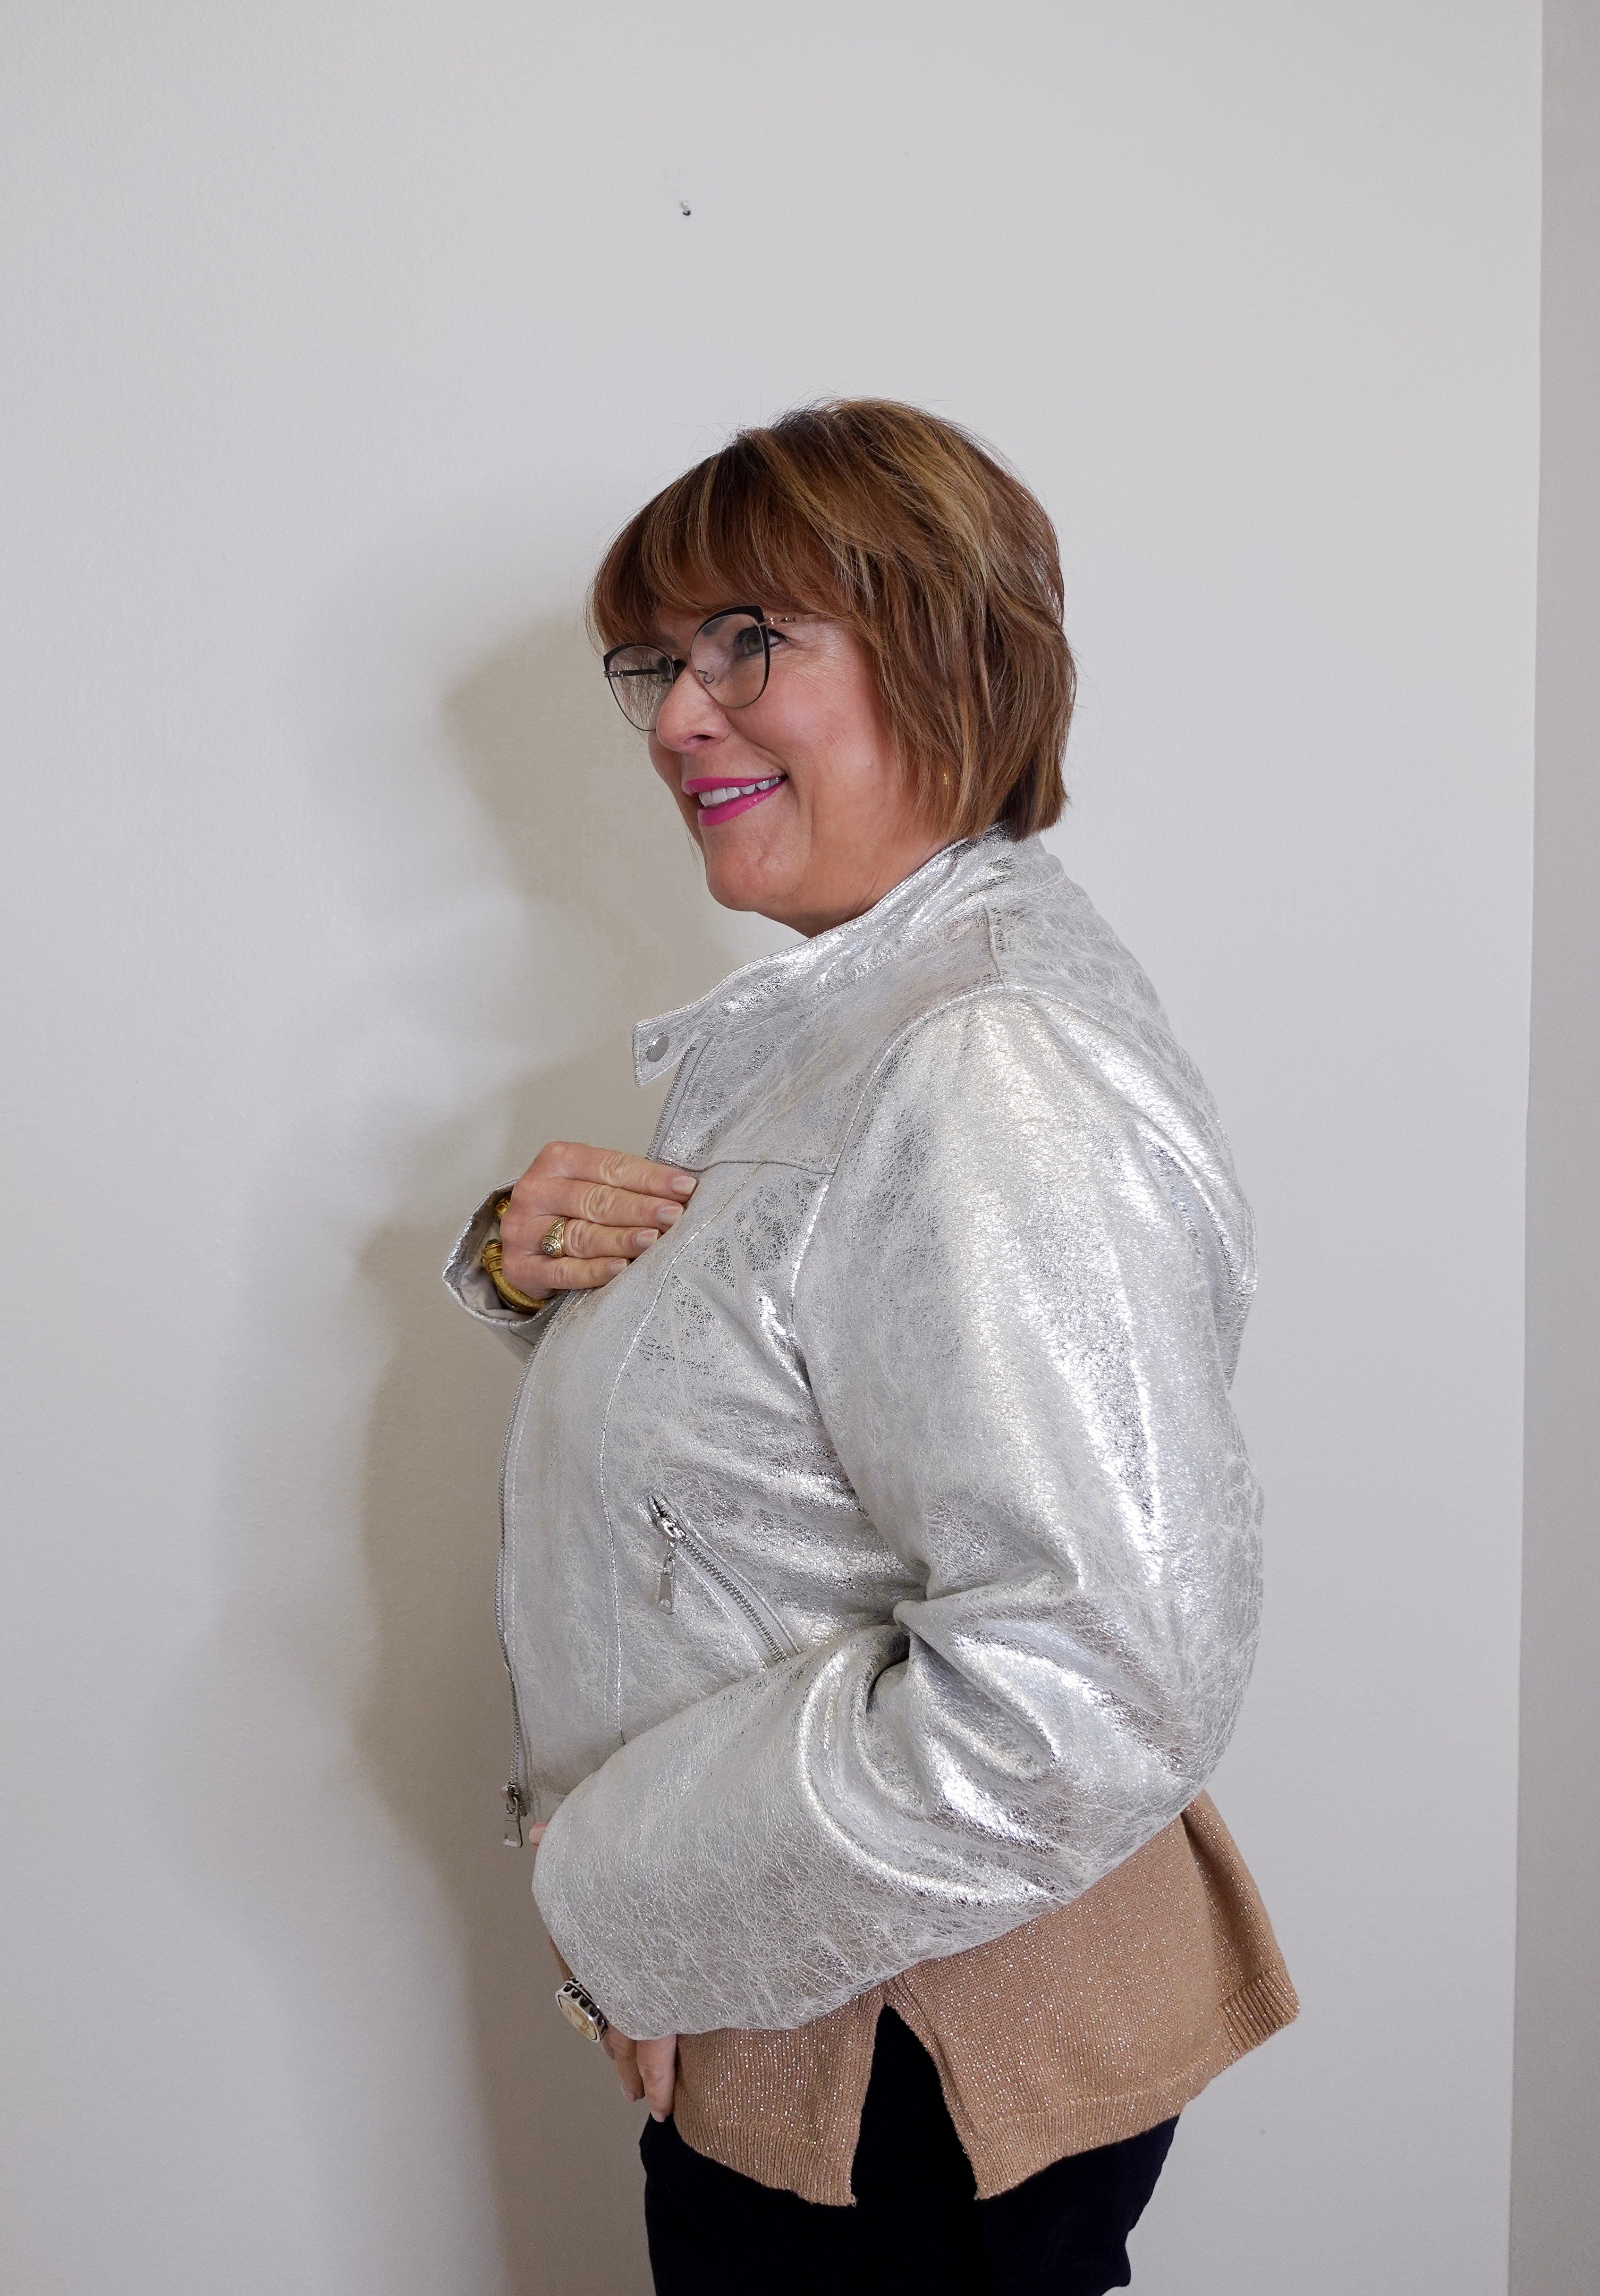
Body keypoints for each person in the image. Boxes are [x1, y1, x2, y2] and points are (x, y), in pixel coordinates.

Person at [445, 400, 1296, 2295]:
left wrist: (629, 1908)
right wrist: (532, 1275)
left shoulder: (983, 1062)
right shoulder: (857, 1018)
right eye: (659, 661)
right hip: (822, 1997)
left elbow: (1077, 1679)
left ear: (945, 641)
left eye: (751, 641)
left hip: (904, 2041)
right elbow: (796, 1453)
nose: (678, 716)